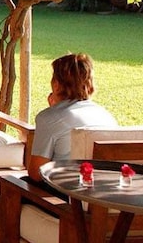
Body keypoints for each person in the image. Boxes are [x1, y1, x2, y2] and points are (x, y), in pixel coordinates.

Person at [27, 53, 117, 181]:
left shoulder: (49, 118)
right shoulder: (107, 116)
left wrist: (52, 111)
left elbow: (37, 173)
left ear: (56, 85)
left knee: (15, 183)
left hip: (65, 191)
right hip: (99, 190)